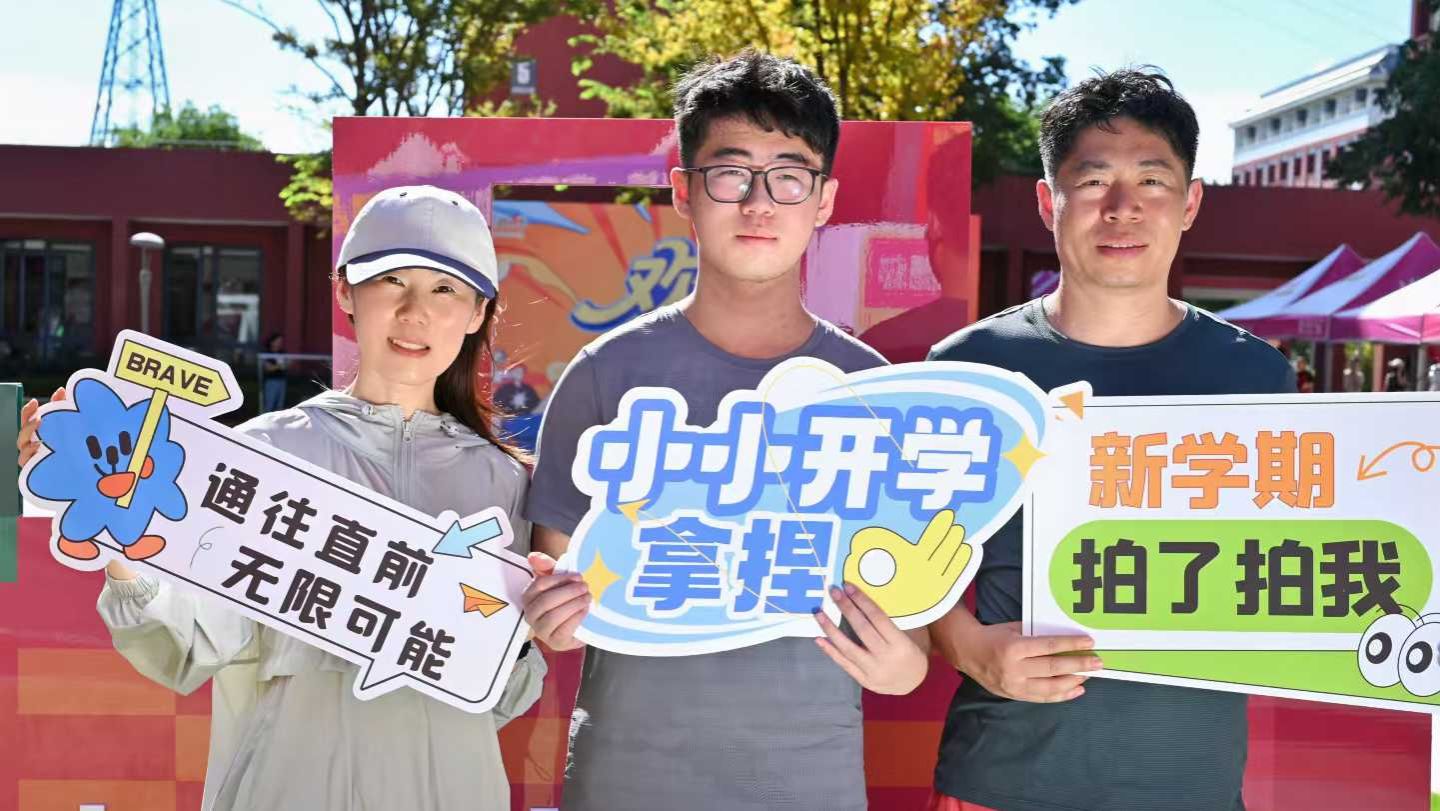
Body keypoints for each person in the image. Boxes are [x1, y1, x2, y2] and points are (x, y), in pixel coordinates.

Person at [18, 185, 545, 811]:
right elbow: (188, 645)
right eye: (392, 282)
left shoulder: (507, 484)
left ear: (479, 312)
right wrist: (118, 539)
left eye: (445, 290)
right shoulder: (260, 454)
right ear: (345, 291)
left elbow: (505, 695)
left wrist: (519, 635)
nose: (415, 312)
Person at [519, 50, 928, 810]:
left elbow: (911, 627)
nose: (759, 203)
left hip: (808, 784)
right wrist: (552, 616)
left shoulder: (875, 392)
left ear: (825, 200)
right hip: (627, 780)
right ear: (684, 190)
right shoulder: (605, 374)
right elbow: (556, 592)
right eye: (731, 173)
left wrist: (902, 667)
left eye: (789, 176)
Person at [925, 69, 1294, 811]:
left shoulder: (1256, 376)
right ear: (1048, 202)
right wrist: (971, 649)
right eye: (1093, 181)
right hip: (1005, 776)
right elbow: (899, 557)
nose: (1123, 208)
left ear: (1190, 203)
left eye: (1152, 181)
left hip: (1189, 782)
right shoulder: (968, 370)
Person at [261, 332, 288, 412]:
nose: (279, 343)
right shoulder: (267, 353)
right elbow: (268, 368)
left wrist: (281, 366)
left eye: (281, 341)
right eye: (278, 341)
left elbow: (286, 365)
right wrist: (279, 366)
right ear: (272, 342)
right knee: (269, 404)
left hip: (282, 381)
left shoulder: (282, 353)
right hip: (271, 381)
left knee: (279, 406)